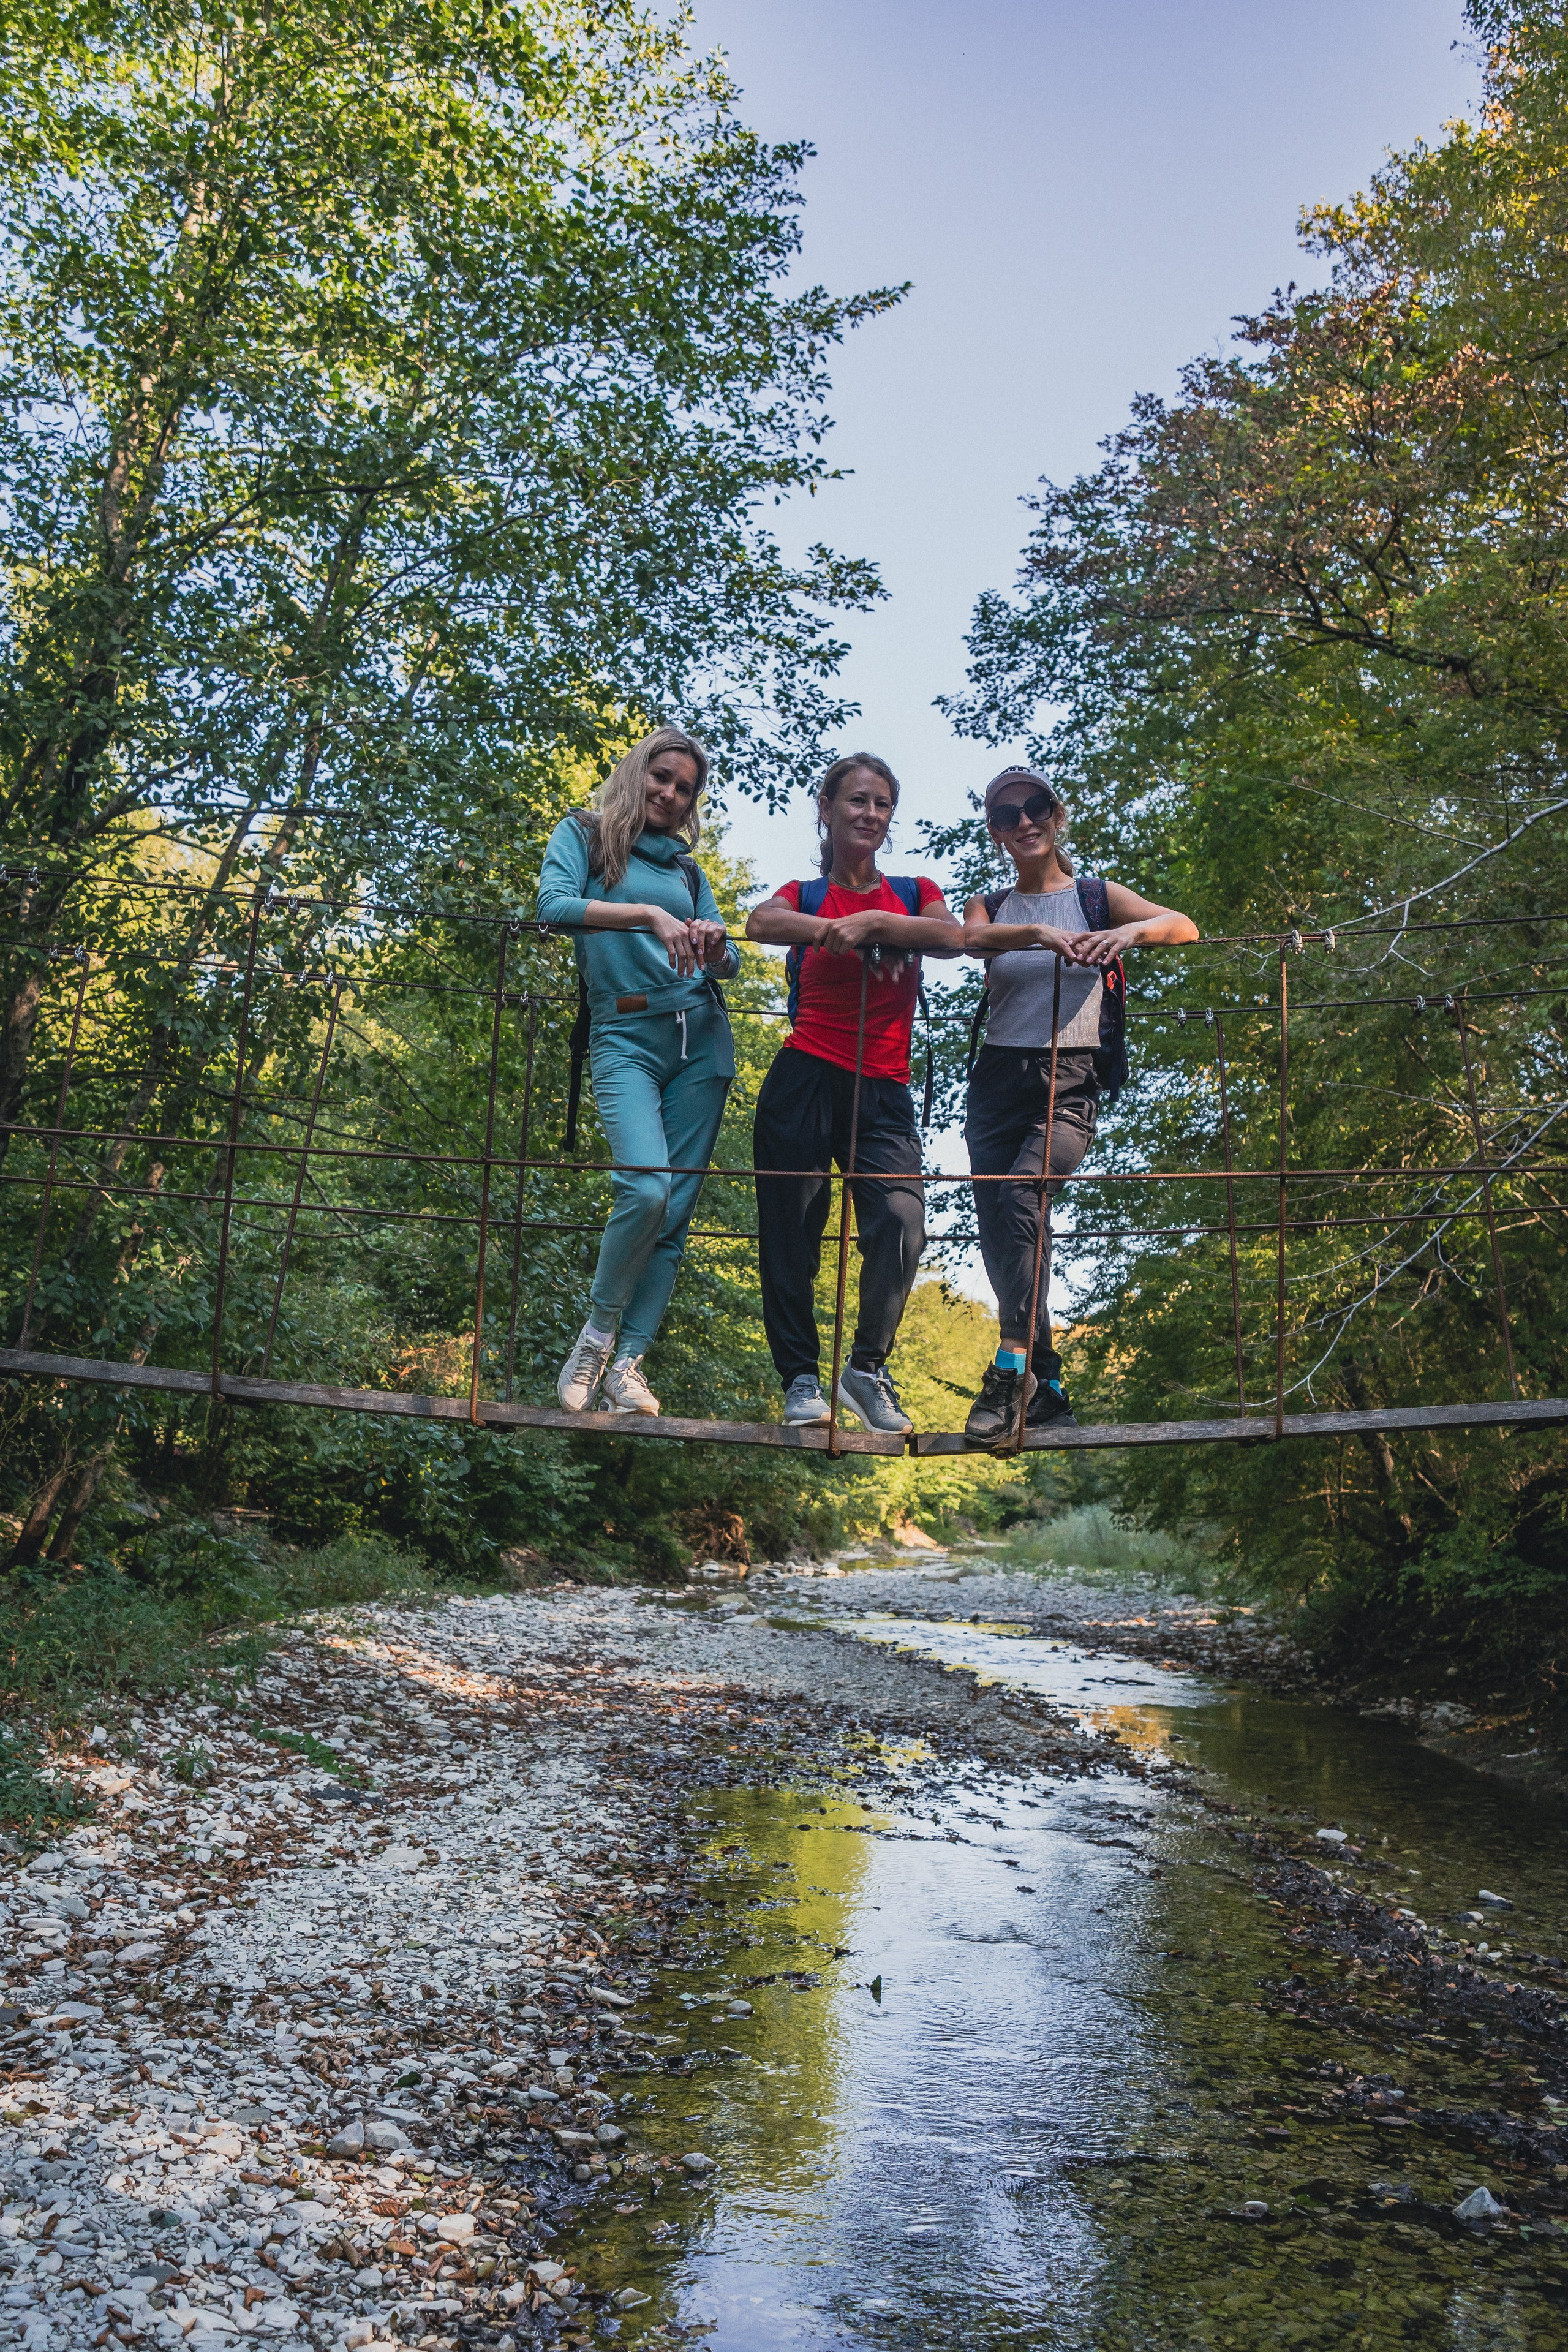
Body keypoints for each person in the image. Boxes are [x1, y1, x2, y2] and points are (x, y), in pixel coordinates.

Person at [960, 766, 1198, 1448]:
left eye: (1035, 807)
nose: (1024, 821)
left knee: (1020, 1203)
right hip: (996, 1082)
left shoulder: (1095, 898)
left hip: (1071, 1081)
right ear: (995, 833)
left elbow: (1182, 926)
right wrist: (1034, 936)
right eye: (1007, 816)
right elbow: (968, 941)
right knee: (1006, 1235)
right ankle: (1051, 1387)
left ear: (1058, 816)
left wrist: (1126, 936)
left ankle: (1007, 1372)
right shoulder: (992, 902)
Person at [745, 753, 963, 1433]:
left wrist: (875, 926)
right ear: (827, 808)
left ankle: (865, 1370)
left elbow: (951, 937)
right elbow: (759, 923)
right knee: (792, 1239)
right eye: (856, 801)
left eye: (881, 805)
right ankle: (801, 1380)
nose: (869, 814)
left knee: (901, 1225)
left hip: (884, 1092)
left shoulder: (913, 888)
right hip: (804, 1077)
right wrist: (833, 931)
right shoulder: (805, 895)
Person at [537, 726, 738, 1416]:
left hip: (700, 1043)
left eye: (684, 788)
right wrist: (647, 914)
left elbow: (729, 962)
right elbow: (553, 908)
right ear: (637, 774)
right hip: (621, 1033)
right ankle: (596, 1335)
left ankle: (629, 1366)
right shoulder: (585, 836)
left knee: (675, 1213)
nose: (671, 794)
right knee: (645, 1190)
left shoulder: (689, 870)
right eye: (662, 778)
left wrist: (712, 942)